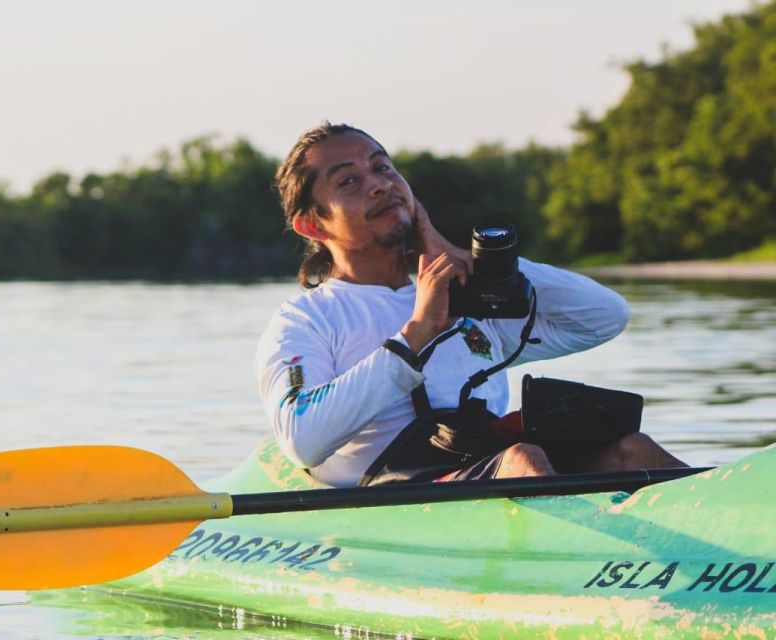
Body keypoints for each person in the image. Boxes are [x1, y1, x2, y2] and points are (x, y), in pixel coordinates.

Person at [256, 122, 685, 488]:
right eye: (349, 181)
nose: (380, 184)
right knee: (523, 460)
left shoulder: (467, 294)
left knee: (634, 451)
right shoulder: (304, 320)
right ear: (312, 225)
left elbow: (605, 316)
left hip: (489, 467)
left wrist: (473, 262)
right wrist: (416, 333)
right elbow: (301, 440)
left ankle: (721, 536)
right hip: (394, 497)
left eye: (382, 167)